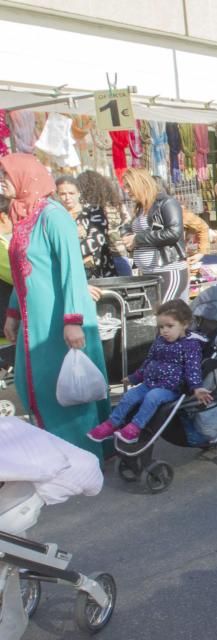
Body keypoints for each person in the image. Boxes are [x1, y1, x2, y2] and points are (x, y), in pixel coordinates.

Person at [1, 154, 110, 458]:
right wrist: (12, 314)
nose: (2, 180)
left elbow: (72, 271)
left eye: (7, 174)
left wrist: (73, 320)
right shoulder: (23, 215)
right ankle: (61, 451)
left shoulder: (53, 215)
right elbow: (23, 270)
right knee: (32, 384)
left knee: (66, 390)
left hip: (59, 320)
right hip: (33, 322)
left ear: (26, 176)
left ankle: (82, 456)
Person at [87, 300, 212, 445]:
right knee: (129, 395)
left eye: (170, 326)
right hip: (150, 383)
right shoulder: (159, 341)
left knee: (152, 397)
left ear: (184, 324)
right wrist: (134, 378)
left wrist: (196, 387)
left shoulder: (190, 345)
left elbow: (193, 368)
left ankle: (135, 428)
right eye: (161, 327)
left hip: (171, 388)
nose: (164, 331)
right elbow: (148, 362)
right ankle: (111, 423)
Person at [120, 168, 188, 302]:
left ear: (140, 183)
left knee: (164, 314)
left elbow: (174, 232)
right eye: (125, 187)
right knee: (155, 317)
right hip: (148, 273)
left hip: (168, 270)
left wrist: (137, 239)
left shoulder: (166, 203)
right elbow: (139, 232)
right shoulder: (141, 208)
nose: (126, 191)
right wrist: (128, 238)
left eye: (129, 186)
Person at [55, 175, 115, 280]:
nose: (67, 197)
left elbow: (97, 239)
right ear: (57, 195)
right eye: (63, 194)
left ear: (79, 193)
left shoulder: (93, 211)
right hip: (68, 273)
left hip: (99, 272)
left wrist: (66, 254)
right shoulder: (56, 215)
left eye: (71, 193)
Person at [77, 170, 130, 277]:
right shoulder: (116, 204)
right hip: (121, 252)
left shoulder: (91, 210)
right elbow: (126, 221)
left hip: (103, 256)